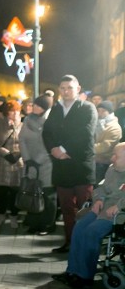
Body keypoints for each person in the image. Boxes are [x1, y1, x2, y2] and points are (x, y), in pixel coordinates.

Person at [52, 142, 125, 289]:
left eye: (116, 155)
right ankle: (72, 271)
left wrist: (118, 205)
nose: (112, 158)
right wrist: (98, 199)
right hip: (102, 209)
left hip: (118, 216)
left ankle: (85, 276)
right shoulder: (112, 170)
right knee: (79, 228)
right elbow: (102, 188)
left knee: (91, 232)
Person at [43, 74, 98, 253]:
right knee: (67, 209)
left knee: (85, 209)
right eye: (63, 88)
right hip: (61, 167)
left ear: (78, 89)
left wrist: (64, 150)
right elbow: (47, 132)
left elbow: (86, 134)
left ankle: (85, 246)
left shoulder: (87, 108)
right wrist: (53, 149)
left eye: (69, 88)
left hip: (81, 167)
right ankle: (69, 242)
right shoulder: (56, 109)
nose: (66, 91)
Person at [19, 94, 57, 235]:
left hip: (47, 164)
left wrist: (39, 159)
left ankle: (47, 224)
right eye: (34, 104)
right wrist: (27, 158)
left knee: (47, 195)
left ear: (45, 108)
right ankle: (33, 223)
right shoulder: (28, 119)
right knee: (31, 192)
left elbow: (51, 143)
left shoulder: (51, 121)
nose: (34, 107)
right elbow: (21, 139)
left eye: (38, 105)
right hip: (30, 164)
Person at [0, 100, 24, 229]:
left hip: (18, 163)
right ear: (6, 113)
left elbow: (26, 142)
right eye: (11, 111)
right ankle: (1, 214)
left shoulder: (24, 125)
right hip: (2, 162)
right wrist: (5, 153)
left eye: (17, 111)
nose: (15, 114)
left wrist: (19, 154)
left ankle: (14, 216)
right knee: (1, 192)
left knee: (15, 191)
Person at [94, 100, 122, 185]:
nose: (100, 113)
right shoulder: (98, 123)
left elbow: (105, 146)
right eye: (98, 110)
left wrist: (87, 147)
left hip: (103, 162)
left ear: (109, 112)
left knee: (97, 185)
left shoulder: (114, 127)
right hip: (94, 160)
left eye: (103, 111)